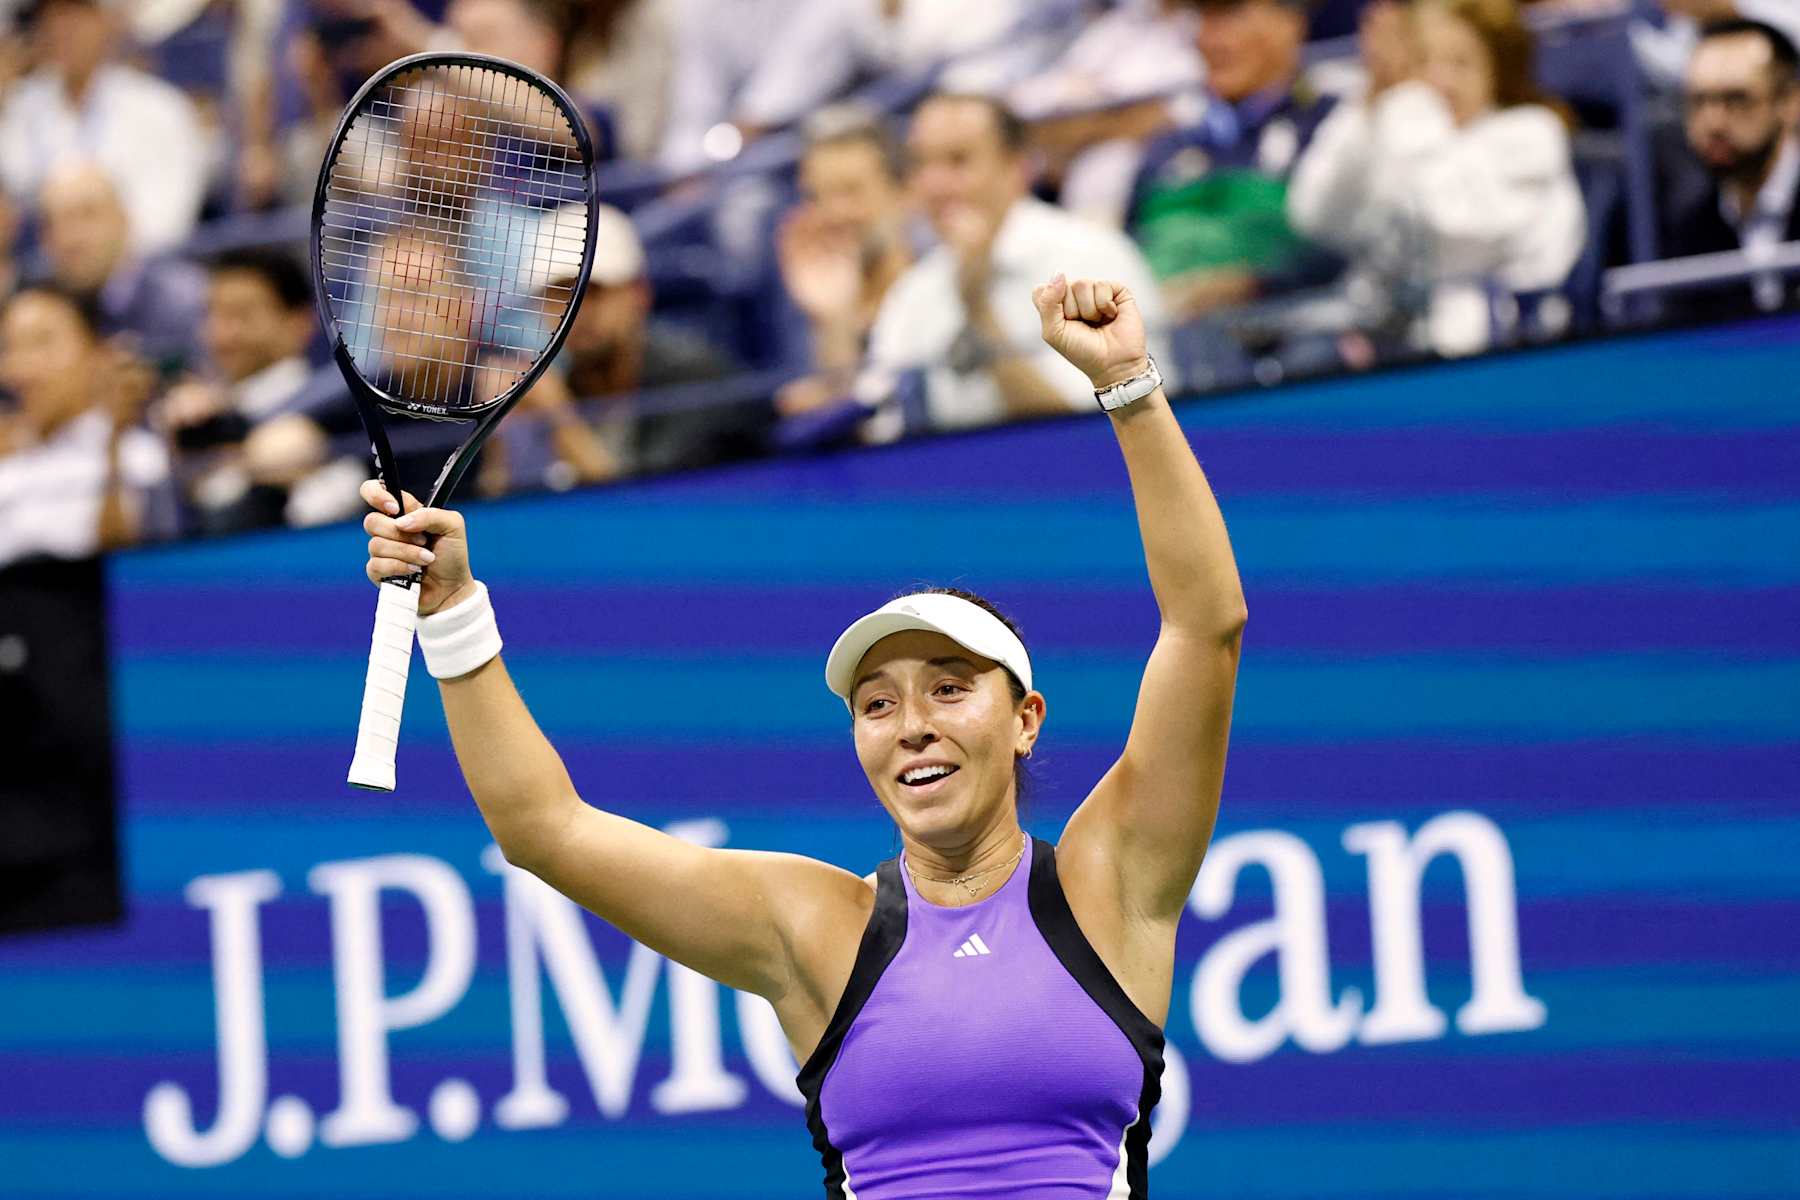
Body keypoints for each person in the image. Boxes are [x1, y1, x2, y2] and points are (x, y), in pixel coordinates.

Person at [356, 272, 1244, 1196]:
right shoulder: (814, 930)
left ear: (1025, 721)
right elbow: (545, 829)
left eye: (948, 688)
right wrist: (454, 610)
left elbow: (1205, 625)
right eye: (878, 704)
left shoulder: (1117, 878)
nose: (912, 728)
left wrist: (1129, 385)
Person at [854, 92, 1169, 442]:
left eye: (958, 162)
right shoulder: (915, 289)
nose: (935, 185)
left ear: (1016, 167)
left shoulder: (1089, 256)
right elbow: (876, 426)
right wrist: (836, 316)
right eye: (921, 165)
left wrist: (978, 308)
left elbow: (1109, 425)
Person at [1285, 0, 1587, 356]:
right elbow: (1312, 215)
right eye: (1423, 61)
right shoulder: (1405, 128)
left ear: (1497, 68)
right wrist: (1366, 104)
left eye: (1461, 63)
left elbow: (1442, 222)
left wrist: (1406, 101)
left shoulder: (1531, 134)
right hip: (1392, 348)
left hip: (1502, 349)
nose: (1439, 80)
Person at [1126, 0, 1341, 322]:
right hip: (1170, 343)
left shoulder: (1331, 126)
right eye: (1204, 19)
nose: (1211, 40)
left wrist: (1252, 284)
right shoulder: (1167, 146)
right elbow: (1129, 252)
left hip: (1301, 335)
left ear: (1289, 23)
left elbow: (1350, 248)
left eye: (1230, 17)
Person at [0, 0, 208, 254]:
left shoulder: (160, 108)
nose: (62, 30)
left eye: (76, 17)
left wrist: (91, 247)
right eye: (51, 20)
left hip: (133, 271)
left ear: (107, 22)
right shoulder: (21, 109)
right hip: (42, 272)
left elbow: (169, 222)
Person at [157, 248, 326, 534]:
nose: (221, 334)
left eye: (242, 315)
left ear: (298, 323)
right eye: (213, 314)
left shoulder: (330, 409)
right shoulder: (197, 416)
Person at [0, 285, 169, 567]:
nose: (21, 367)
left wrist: (113, 449)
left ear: (98, 353)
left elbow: (125, 557)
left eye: (41, 343)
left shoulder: (137, 455)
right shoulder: (9, 459)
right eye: (9, 347)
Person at [774, 109, 916, 417]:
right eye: (817, 197)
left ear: (903, 193)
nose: (835, 213)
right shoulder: (801, 299)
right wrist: (834, 317)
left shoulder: (943, 286)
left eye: (851, 191)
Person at [1659, 18, 1800, 315]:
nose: (1713, 123)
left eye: (1736, 99)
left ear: (1790, 102)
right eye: (1698, 102)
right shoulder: (1690, 230)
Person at [33, 160, 207, 371]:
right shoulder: (48, 309)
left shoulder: (182, 301)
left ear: (124, 219)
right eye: (52, 222)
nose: (68, 237)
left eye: (87, 215)